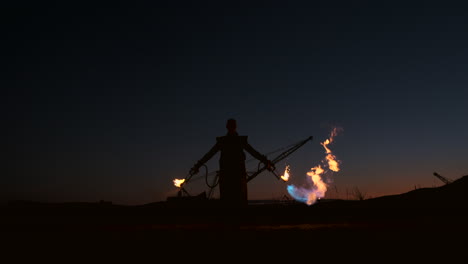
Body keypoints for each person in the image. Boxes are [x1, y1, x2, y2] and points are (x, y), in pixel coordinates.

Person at [190, 118, 273, 208]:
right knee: (236, 203)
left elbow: (209, 154)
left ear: (227, 127)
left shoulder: (225, 141)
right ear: (234, 127)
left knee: (230, 203)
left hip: (231, 177)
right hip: (234, 177)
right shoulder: (236, 141)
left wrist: (198, 165)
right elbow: (253, 152)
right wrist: (265, 161)